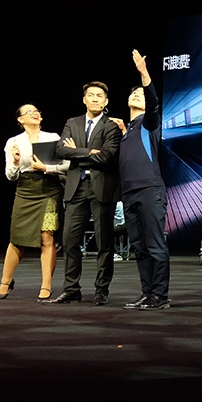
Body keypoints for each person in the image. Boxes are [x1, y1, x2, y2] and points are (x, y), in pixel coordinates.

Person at [48, 81, 122, 305]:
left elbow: (107, 156)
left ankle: (101, 290)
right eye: (91, 95)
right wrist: (90, 152)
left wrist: (76, 152)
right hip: (76, 187)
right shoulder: (73, 122)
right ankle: (71, 289)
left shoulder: (111, 126)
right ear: (84, 99)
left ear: (106, 101)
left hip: (101, 187)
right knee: (69, 241)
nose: (95, 99)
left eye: (100, 96)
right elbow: (61, 150)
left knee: (104, 243)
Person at [112, 49, 172, 310]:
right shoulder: (126, 132)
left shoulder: (149, 123)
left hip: (150, 190)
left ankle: (160, 295)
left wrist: (144, 73)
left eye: (140, 93)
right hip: (129, 194)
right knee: (139, 247)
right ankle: (147, 293)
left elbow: (154, 102)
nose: (136, 94)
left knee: (155, 244)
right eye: (133, 93)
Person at [0, 104, 70, 300]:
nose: (35, 113)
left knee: (47, 237)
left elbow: (66, 165)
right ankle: (5, 282)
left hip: (49, 189)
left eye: (37, 111)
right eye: (29, 112)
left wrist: (46, 168)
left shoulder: (53, 137)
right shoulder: (13, 142)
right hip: (25, 189)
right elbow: (10, 176)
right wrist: (15, 161)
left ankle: (46, 285)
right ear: (20, 120)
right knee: (17, 238)